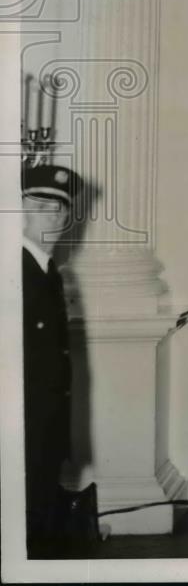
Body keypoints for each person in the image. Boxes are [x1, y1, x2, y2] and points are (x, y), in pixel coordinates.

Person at [21, 163, 81, 557]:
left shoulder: (47, 271)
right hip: (21, 429)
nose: (55, 217)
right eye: (42, 206)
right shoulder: (16, 271)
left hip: (46, 422)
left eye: (61, 208)